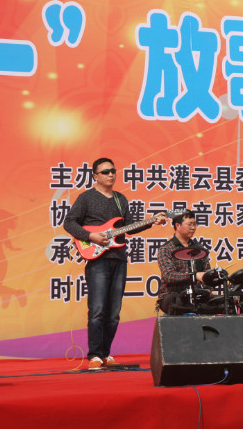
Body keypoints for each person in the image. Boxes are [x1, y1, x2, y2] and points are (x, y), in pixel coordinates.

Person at [64, 157, 166, 370]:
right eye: (105, 172)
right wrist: (91, 236)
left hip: (119, 258)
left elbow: (129, 227)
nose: (111, 174)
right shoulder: (86, 197)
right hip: (98, 259)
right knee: (98, 309)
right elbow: (69, 222)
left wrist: (151, 221)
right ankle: (94, 355)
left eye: (113, 171)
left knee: (114, 312)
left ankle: (105, 353)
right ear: (95, 176)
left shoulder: (121, 199)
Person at [156, 210, 213, 315]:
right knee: (179, 302)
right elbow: (169, 276)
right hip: (173, 295)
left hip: (196, 294)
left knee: (219, 303)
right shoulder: (166, 249)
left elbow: (207, 272)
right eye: (189, 224)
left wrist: (208, 289)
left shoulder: (199, 248)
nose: (193, 227)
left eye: (195, 224)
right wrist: (194, 275)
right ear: (177, 225)